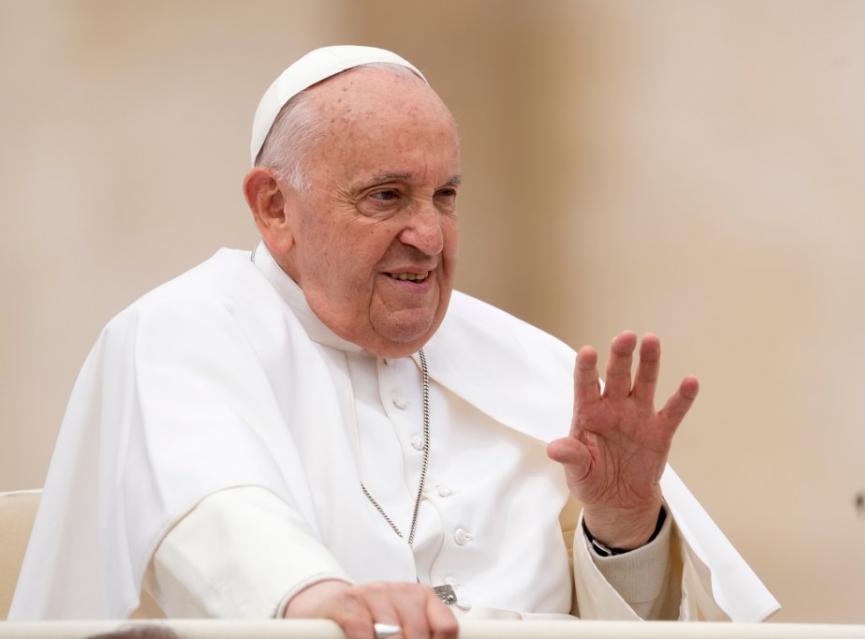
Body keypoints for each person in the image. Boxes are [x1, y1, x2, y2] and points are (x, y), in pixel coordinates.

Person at [10, 46, 778, 636]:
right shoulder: (182, 331)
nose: (429, 234)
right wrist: (318, 602)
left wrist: (623, 527)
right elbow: (211, 506)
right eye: (387, 196)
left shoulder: (532, 366)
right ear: (274, 207)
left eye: (445, 196)